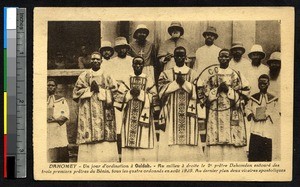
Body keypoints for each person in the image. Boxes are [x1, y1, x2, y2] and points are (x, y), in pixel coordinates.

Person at [157, 46, 204, 162]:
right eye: (177, 55)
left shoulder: (194, 74)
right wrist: (175, 83)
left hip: (189, 111)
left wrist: (184, 83)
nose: (179, 58)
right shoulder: (166, 73)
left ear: (185, 57)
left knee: (190, 136)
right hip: (171, 110)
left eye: (182, 55)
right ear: (173, 57)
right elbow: (160, 92)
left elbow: (200, 93)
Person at [73, 51, 118, 162]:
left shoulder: (108, 75)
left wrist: (101, 91)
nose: (95, 61)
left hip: (104, 109)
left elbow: (115, 92)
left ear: (101, 61)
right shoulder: (84, 75)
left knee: (105, 141)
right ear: (90, 61)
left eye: (98, 59)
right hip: (88, 110)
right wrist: (89, 90)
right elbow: (75, 93)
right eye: (93, 59)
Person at [205, 49, 249, 162]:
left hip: (232, 109)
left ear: (230, 58)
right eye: (221, 56)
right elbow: (205, 92)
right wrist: (217, 90)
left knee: (232, 136)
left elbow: (245, 92)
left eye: (226, 57)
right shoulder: (212, 74)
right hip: (215, 108)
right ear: (218, 58)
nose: (224, 59)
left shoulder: (236, 74)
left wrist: (229, 90)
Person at [116, 57, 160, 162]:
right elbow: (119, 97)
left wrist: (141, 94)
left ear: (143, 66)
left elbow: (154, 96)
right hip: (129, 114)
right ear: (132, 65)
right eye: (136, 64)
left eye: (140, 64)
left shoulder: (148, 79)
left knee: (144, 138)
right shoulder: (127, 78)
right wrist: (129, 94)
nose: (138, 66)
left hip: (144, 113)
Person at [246, 74, 280, 161]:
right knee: (254, 156)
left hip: (267, 129)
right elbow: (247, 109)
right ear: (258, 84)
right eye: (260, 83)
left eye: (264, 83)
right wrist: (251, 115)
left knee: (266, 156)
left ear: (268, 84)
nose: (262, 85)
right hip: (255, 128)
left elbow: (277, 112)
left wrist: (267, 114)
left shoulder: (273, 99)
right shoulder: (253, 98)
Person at [47, 78, 70, 162]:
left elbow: (66, 114)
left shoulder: (61, 100)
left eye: (52, 85)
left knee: (60, 144)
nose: (50, 87)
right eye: (48, 85)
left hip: (58, 126)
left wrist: (55, 120)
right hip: (47, 127)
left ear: (56, 87)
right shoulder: (42, 100)